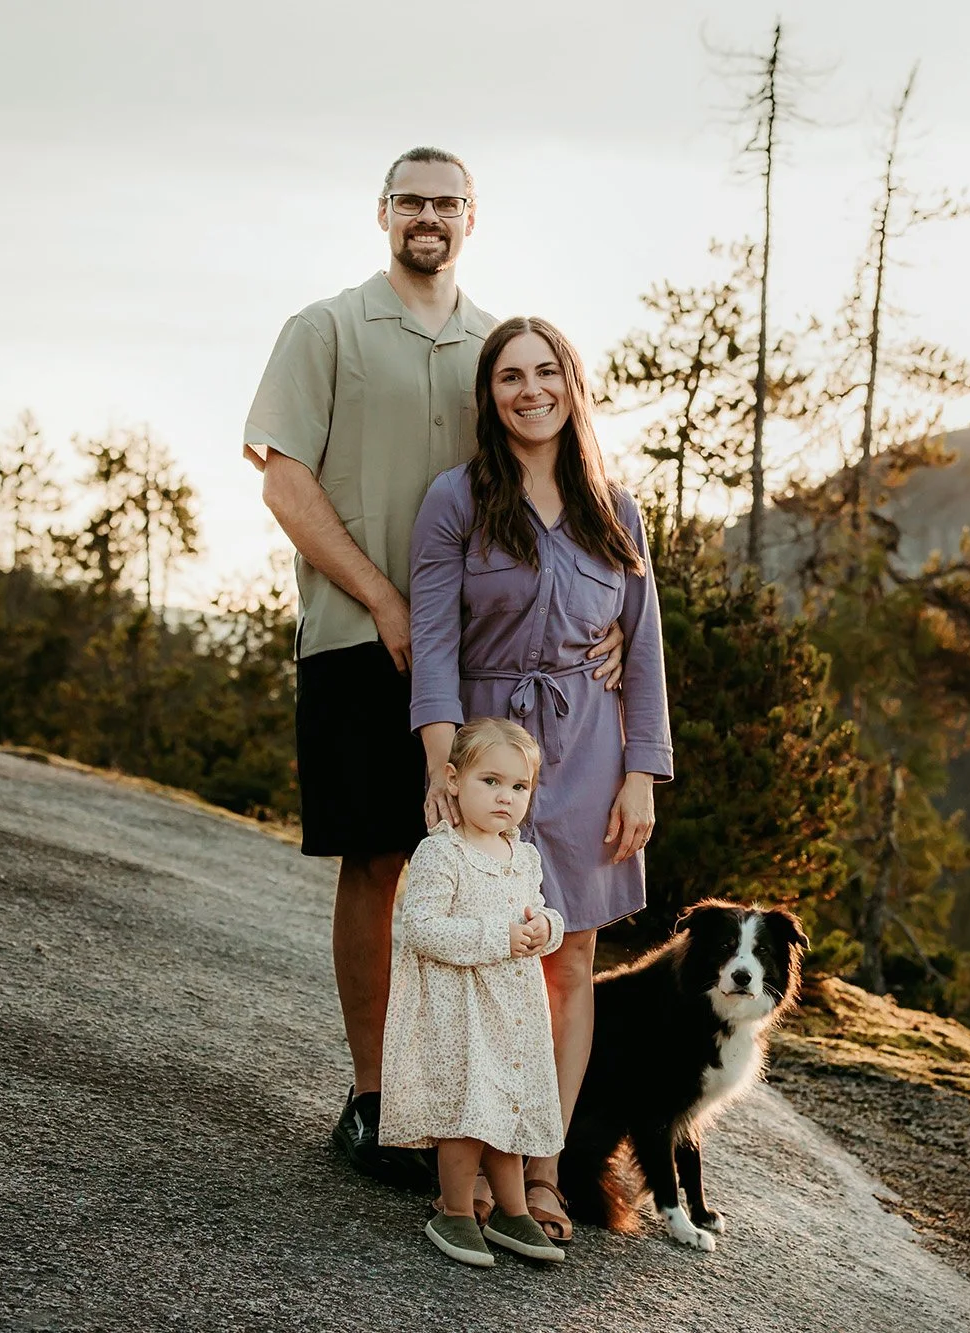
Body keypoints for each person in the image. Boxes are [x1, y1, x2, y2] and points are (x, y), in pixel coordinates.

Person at [241, 147, 624, 1183]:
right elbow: (283, 482)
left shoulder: (494, 348)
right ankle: (374, 1099)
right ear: (380, 213)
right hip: (358, 641)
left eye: (445, 203)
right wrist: (381, 596)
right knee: (379, 861)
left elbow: (559, 482)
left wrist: (608, 609)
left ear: (470, 218)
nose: (427, 216)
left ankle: (485, 1119)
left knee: (496, 885)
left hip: (491, 665)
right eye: (410, 200)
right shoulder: (325, 329)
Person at [408, 316, 673, 1244]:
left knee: (568, 965)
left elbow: (642, 652)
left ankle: (548, 1168)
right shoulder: (456, 500)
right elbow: (434, 645)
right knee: (483, 960)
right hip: (489, 759)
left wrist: (642, 773)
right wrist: (443, 764)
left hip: (593, 753)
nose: (530, 390)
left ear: (572, 383)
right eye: (510, 376)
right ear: (490, 395)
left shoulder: (616, 508)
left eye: (546, 371)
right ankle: (473, 1165)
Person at [380, 717, 567, 1268]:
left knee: (508, 1111)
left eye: (519, 787)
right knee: (468, 1112)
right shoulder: (444, 853)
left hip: (512, 1010)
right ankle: (457, 1210)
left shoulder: (522, 855)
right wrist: (498, 938)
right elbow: (422, 926)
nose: (506, 798)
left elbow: (539, 911)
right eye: (491, 782)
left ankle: (513, 1211)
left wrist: (544, 930)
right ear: (455, 780)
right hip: (459, 1008)